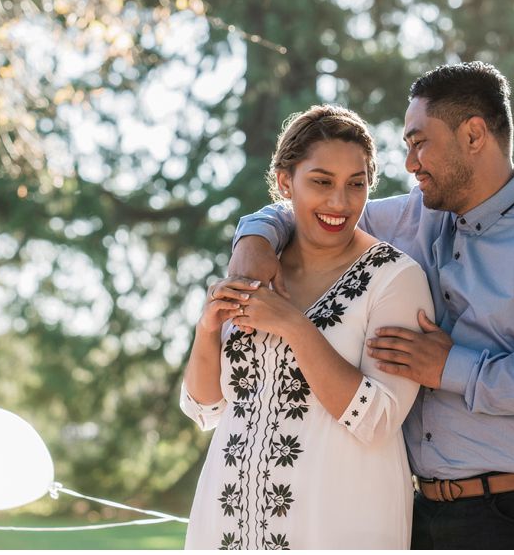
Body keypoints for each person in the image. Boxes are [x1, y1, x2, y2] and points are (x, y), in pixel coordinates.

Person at [231, 63, 514, 550]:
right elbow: (317, 209)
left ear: (474, 135)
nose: (411, 163)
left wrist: (451, 367)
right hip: (420, 515)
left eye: (420, 143)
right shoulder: (408, 216)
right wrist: (254, 237)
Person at [181, 105, 433, 550]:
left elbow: (378, 419)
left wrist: (296, 327)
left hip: (339, 523)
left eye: (356, 185)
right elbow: (206, 407)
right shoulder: (255, 269)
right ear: (285, 182)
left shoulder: (395, 278)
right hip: (228, 520)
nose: (340, 202)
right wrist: (206, 328)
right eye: (321, 182)